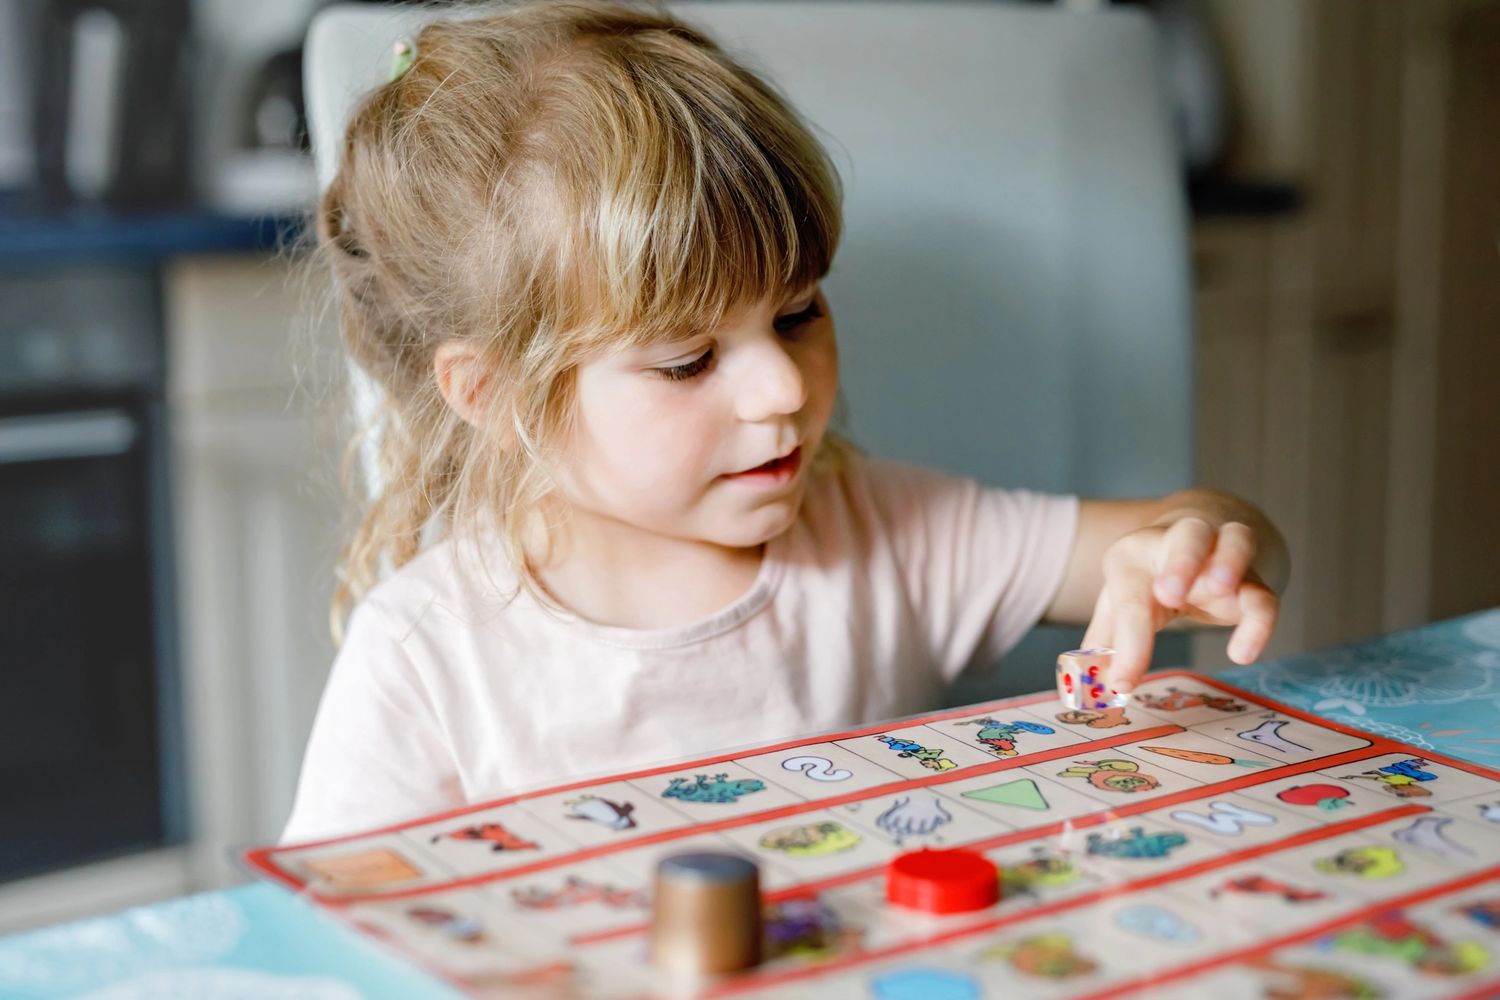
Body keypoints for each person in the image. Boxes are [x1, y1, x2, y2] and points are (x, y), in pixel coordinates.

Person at [281, 0, 1287, 843]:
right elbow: (333, 950)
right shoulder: (425, 656)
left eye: (798, 311)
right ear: (496, 395)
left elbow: (1227, 540)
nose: (782, 388)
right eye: (687, 359)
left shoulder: (886, 533)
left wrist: (1187, 553)